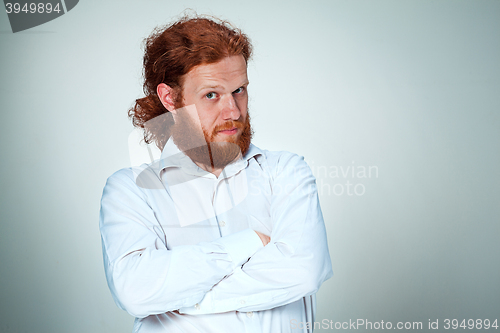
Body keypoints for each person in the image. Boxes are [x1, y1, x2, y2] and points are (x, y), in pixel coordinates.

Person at [99, 15, 333, 333]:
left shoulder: (285, 172)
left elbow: (304, 270)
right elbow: (137, 291)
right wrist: (249, 243)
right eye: (212, 95)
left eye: (239, 90)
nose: (233, 111)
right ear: (170, 98)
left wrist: (187, 299)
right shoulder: (132, 190)